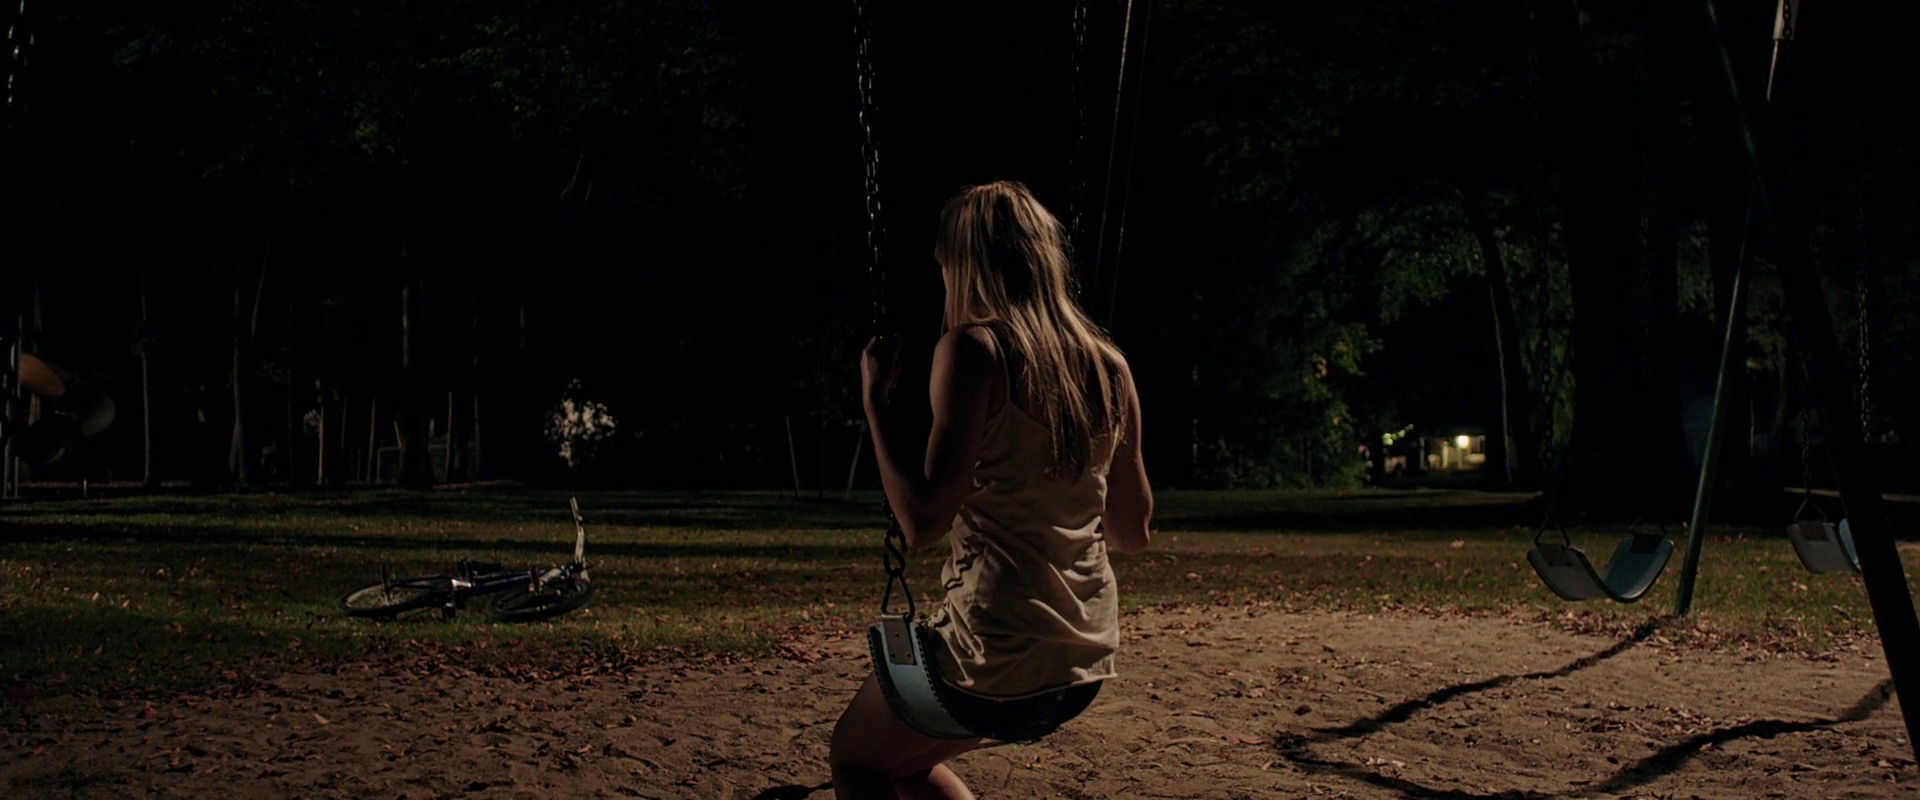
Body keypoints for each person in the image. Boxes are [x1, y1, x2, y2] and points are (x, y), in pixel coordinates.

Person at [829, 180, 1154, 799]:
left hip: (994, 656)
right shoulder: (1111, 366)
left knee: (856, 759)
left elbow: (922, 523)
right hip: (1083, 661)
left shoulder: (973, 350)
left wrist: (875, 402)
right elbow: (1133, 532)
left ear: (965, 265)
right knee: (907, 765)